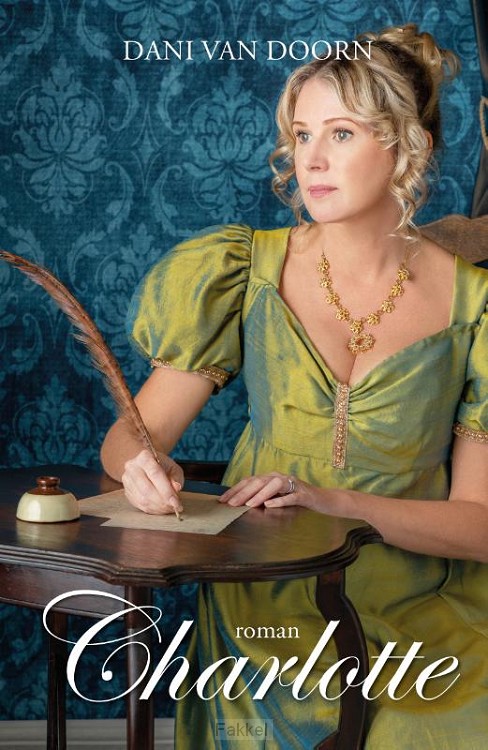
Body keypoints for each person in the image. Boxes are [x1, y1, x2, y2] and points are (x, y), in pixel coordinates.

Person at [101, 24, 488, 750]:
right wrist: (140, 468)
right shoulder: (243, 272)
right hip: (267, 593)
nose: (309, 159)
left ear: (408, 145)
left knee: (435, 723)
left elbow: (480, 525)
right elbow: (130, 437)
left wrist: (334, 502)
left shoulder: (477, 306)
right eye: (302, 134)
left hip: (422, 598)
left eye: (341, 134)